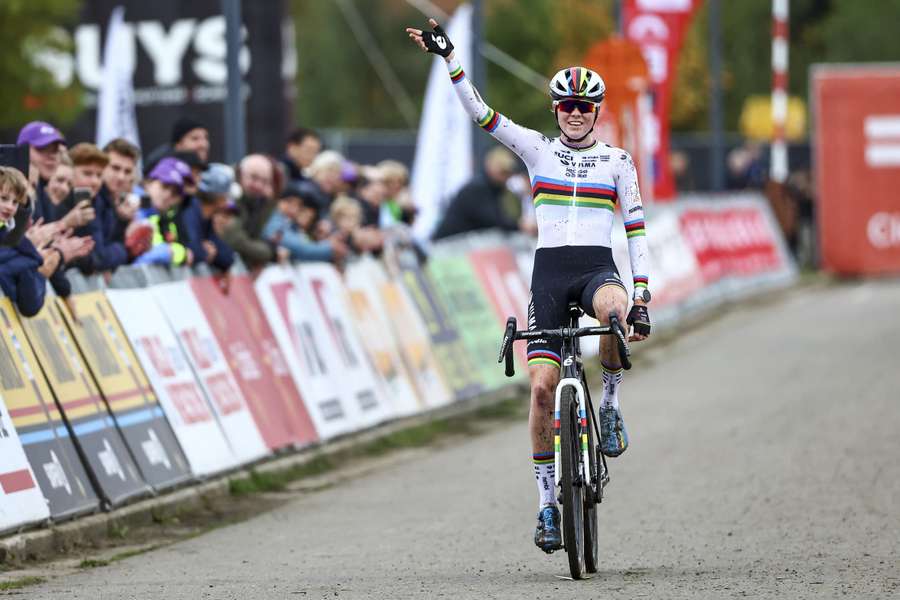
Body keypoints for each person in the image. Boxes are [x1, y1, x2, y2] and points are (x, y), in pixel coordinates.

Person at [407, 19, 652, 554]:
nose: (575, 112)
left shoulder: (617, 161)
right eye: (566, 105)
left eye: (585, 106)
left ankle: (608, 404)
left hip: (595, 268)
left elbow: (634, 229)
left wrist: (643, 295)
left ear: (598, 110)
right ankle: (546, 504)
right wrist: (449, 58)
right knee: (541, 390)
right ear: (555, 110)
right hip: (548, 275)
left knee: (614, 310)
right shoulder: (536, 149)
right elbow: (480, 113)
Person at [431, 146, 522, 240]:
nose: (506, 177)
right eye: (503, 172)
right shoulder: (478, 188)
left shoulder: (492, 189)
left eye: (508, 173)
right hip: (448, 247)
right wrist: (520, 226)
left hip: (458, 245)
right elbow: (493, 220)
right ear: (490, 167)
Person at [218, 154, 287, 270]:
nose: (258, 185)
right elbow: (237, 240)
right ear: (240, 175)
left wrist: (268, 204)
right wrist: (270, 253)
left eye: (265, 181)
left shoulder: (261, 203)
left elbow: (266, 237)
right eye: (254, 178)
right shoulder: (229, 200)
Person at [262, 186, 347, 263]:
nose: (293, 209)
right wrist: (329, 248)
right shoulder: (272, 220)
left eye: (298, 205)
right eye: (289, 202)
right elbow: (300, 249)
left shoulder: (289, 224)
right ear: (279, 200)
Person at [133, 158, 192, 266]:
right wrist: (170, 252)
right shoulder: (133, 207)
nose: (168, 195)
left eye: (174, 193)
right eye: (165, 186)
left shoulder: (159, 216)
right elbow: (139, 261)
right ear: (149, 182)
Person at [179, 163, 235, 272]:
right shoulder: (190, 211)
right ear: (220, 198)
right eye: (226, 196)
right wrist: (205, 252)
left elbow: (228, 257)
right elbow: (194, 250)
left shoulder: (207, 218)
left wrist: (212, 253)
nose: (227, 201)